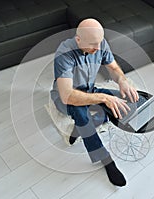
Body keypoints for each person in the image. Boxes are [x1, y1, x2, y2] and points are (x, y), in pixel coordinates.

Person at [50, 18, 139, 187]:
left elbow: (113, 67)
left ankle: (85, 126)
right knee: (81, 115)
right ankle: (106, 159)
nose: (98, 48)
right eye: (93, 44)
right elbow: (67, 96)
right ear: (78, 40)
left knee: (124, 103)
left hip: (89, 90)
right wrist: (104, 98)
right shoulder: (64, 53)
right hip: (67, 97)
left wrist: (122, 80)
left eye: (100, 43)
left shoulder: (99, 43)